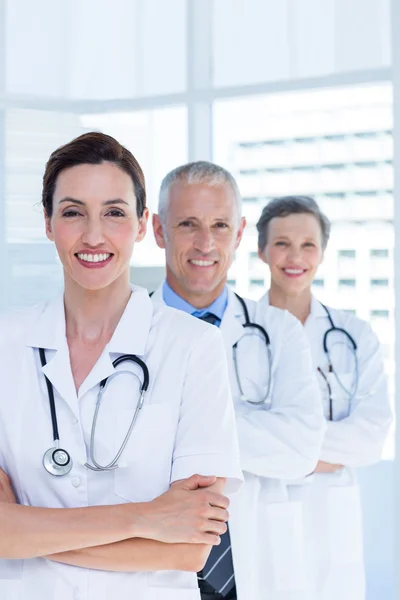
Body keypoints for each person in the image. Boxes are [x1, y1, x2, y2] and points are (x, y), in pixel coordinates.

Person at [0, 133, 243, 600]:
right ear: (48, 223)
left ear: (140, 224)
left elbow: (190, 551)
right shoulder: (6, 344)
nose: (93, 235)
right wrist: (144, 518)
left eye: (113, 212)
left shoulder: (193, 346)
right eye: (72, 212)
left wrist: (26, 533)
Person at [151, 161, 325, 600]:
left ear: (241, 232)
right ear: (157, 230)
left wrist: (177, 421)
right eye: (188, 223)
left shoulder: (280, 331)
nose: (205, 243)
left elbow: (301, 449)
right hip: (153, 566)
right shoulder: (127, 332)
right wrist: (245, 429)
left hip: (258, 558)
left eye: (220, 225)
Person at [256, 195, 392, 600]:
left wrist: (280, 446)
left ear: (323, 253)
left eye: (308, 245)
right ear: (262, 250)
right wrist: (326, 451)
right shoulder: (237, 335)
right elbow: (232, 437)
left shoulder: (355, 335)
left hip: (334, 516)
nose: (295, 256)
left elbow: (370, 438)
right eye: (282, 243)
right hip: (262, 511)